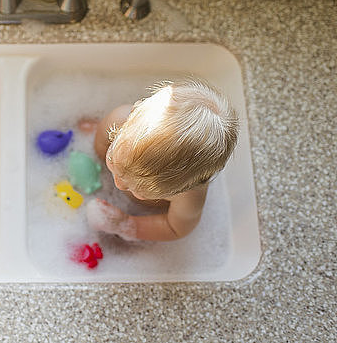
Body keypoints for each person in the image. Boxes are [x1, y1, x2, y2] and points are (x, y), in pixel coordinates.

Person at [83, 78, 239, 241]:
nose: (119, 184)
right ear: (134, 111)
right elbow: (101, 144)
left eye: (139, 190)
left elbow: (174, 229)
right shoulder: (119, 118)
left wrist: (127, 225)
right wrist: (99, 155)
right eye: (112, 159)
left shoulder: (189, 197)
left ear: (182, 188)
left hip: (149, 213)